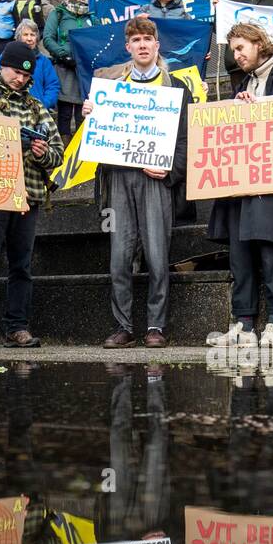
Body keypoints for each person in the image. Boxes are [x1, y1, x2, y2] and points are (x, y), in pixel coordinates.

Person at [82, 18, 189, 348]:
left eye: (148, 39)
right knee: (119, 256)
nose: (143, 45)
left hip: (155, 179)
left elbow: (186, 141)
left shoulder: (175, 89)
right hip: (119, 177)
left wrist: (170, 170)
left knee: (158, 254)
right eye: (136, 40)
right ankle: (123, 325)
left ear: (157, 45)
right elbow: (96, 136)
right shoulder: (110, 87)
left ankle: (155, 326)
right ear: (128, 47)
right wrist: (91, 114)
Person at [204, 23, 273, 348]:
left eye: (240, 48)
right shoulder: (243, 85)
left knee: (272, 252)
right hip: (242, 188)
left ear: (258, 43)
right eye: (233, 50)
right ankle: (243, 324)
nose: (236, 56)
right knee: (240, 254)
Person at [0, 41, 64, 349]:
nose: (20, 79)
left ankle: (16, 327)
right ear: (1, 67)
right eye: (14, 72)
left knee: (21, 265)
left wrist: (41, 152)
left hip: (28, 194)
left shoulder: (37, 107)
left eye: (26, 75)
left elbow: (58, 154)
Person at [43, 0, 94, 141]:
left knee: (83, 115)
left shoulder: (92, 17)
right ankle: (64, 152)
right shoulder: (58, 13)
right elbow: (48, 38)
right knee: (64, 115)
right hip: (64, 69)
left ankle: (80, 152)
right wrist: (63, 55)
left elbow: (99, 40)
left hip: (85, 72)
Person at [0, 19, 59, 110]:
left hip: (36, 110)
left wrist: (43, 104)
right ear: (19, 37)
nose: (29, 39)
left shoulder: (44, 62)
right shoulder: (6, 55)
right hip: (9, 109)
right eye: (25, 35)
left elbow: (52, 86)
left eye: (32, 35)